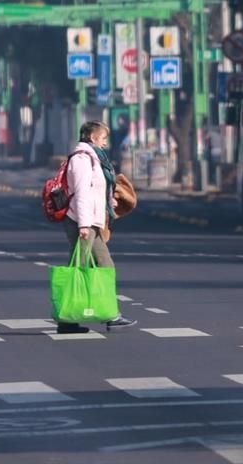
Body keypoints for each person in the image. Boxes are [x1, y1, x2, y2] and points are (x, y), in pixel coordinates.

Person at [59, 120, 137, 334]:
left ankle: (110, 314)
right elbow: (82, 192)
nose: (105, 143)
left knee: (104, 266)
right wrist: (84, 225)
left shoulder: (95, 158)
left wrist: (108, 201)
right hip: (82, 222)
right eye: (103, 138)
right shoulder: (82, 159)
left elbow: (95, 189)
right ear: (92, 138)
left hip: (92, 221)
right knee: (78, 269)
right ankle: (67, 319)